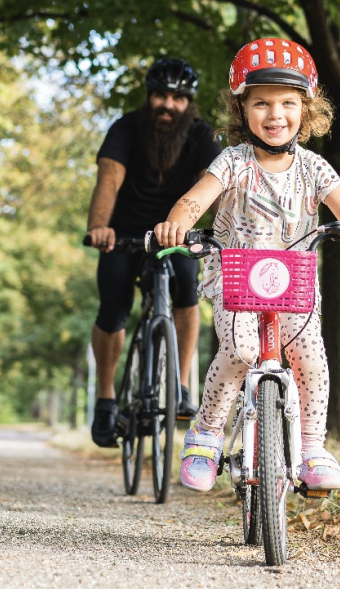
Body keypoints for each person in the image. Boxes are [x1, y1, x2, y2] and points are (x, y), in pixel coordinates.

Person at [153, 38, 340, 492]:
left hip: (293, 283)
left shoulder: (314, 168)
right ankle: (205, 435)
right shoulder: (234, 162)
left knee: (311, 360)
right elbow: (193, 200)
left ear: (306, 109)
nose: (275, 114)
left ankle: (313, 448)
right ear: (242, 110)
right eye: (261, 103)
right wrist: (175, 224)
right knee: (239, 349)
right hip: (236, 279)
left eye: (287, 103)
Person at [86, 58, 224, 448]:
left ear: (189, 103)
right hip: (124, 233)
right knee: (112, 308)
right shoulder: (126, 128)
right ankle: (107, 398)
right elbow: (108, 180)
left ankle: (180, 386)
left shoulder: (201, 136)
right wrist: (99, 227)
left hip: (177, 233)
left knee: (186, 289)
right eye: (161, 96)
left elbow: (209, 187)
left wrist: (222, 232)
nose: (168, 105)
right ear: (149, 98)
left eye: (178, 98)